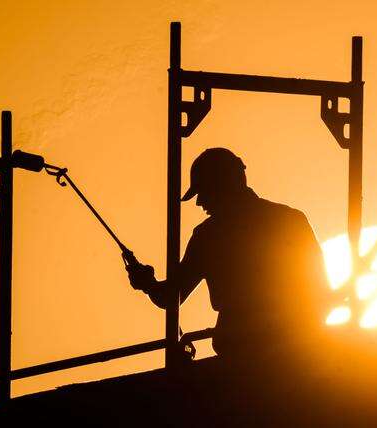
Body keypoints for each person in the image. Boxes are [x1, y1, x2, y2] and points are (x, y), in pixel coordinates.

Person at [126, 147, 331, 360]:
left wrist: (147, 283)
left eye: (203, 191)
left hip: (239, 353)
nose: (199, 202)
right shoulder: (291, 220)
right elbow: (321, 292)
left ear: (220, 186)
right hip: (297, 348)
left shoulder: (208, 236)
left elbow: (170, 297)